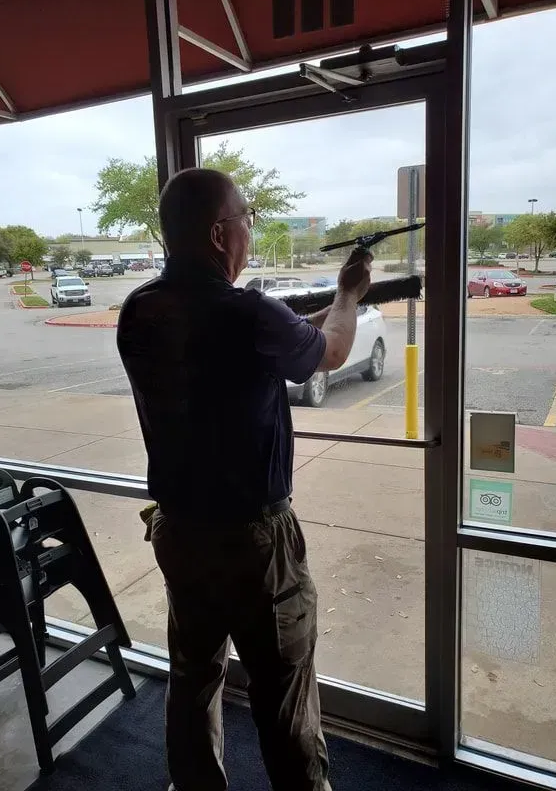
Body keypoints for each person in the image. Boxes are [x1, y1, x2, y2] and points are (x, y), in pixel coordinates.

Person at [117, 168, 371, 791]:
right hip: (255, 541)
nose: (251, 228)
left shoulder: (139, 309)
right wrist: (348, 295)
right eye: (247, 217)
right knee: (283, 692)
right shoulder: (251, 313)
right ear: (217, 232)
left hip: (180, 531)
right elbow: (331, 350)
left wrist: (289, 316)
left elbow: (220, 341)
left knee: (194, 676)